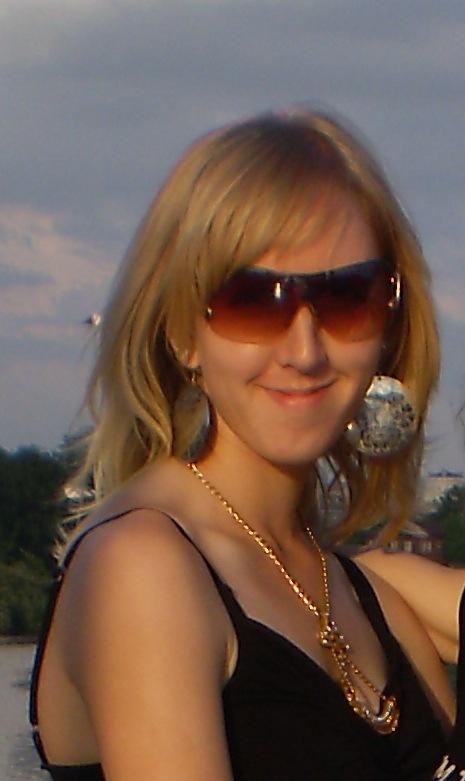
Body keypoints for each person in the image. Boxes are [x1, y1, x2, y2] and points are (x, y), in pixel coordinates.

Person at [29, 109, 456, 781]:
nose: (304, 350)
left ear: (389, 322)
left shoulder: (367, 597)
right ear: (182, 332)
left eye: (347, 297)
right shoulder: (143, 567)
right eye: (254, 300)